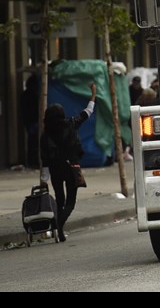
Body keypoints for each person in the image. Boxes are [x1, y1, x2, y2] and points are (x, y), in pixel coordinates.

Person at [40, 82, 97, 242]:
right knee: (70, 202)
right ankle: (59, 226)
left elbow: (44, 157)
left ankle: (60, 229)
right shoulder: (71, 123)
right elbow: (88, 112)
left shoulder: (45, 135)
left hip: (54, 169)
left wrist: (44, 179)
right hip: (72, 166)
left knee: (60, 199)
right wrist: (93, 94)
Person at [20, 73, 40, 169]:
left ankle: (31, 161)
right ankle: (34, 161)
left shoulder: (24, 95)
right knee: (35, 141)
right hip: (34, 121)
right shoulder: (34, 95)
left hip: (29, 122)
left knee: (32, 141)